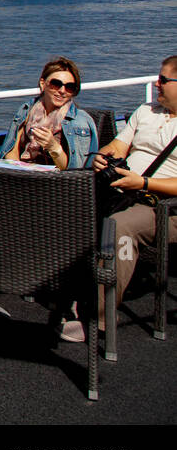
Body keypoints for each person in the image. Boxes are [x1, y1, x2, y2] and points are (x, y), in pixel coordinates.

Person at [59, 57, 177, 342]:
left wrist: (144, 182)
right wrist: (104, 156)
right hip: (125, 192)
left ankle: (99, 318)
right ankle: (60, 288)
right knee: (67, 203)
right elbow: (118, 145)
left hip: (165, 208)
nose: (156, 84)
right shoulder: (146, 111)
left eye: (163, 80)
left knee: (120, 227)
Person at [0, 57, 97, 169]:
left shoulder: (80, 122)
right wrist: (18, 171)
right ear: (43, 84)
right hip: (24, 175)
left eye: (69, 87)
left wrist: (53, 146)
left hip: (57, 182)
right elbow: (11, 150)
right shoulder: (26, 110)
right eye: (56, 84)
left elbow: (76, 171)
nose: (62, 91)